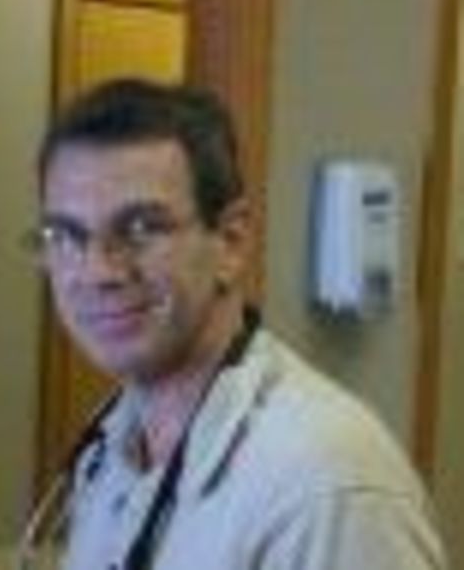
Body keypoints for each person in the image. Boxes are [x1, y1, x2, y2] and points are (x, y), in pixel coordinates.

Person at [27, 78, 446, 570]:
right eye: (66, 235)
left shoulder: (329, 485)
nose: (99, 272)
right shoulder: (115, 447)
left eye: (141, 228)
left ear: (230, 242)